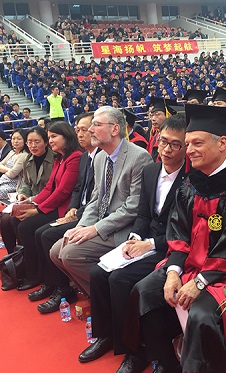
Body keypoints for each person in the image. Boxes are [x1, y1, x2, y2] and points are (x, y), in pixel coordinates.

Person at [118, 104, 226, 373]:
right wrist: (173, 272)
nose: (190, 150)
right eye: (188, 143)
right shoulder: (190, 184)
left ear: (222, 143)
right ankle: (167, 362)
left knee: (203, 313)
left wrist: (199, 282)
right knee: (143, 292)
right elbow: (178, 234)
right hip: (190, 265)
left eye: (197, 143)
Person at [78, 114, 188, 365]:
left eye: (175, 145)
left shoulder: (190, 179)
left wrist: (148, 244)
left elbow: (183, 231)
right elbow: (143, 214)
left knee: (119, 278)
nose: (166, 150)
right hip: (145, 240)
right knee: (97, 273)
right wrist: (135, 237)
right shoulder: (151, 171)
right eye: (163, 142)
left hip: (168, 247)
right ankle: (106, 334)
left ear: (186, 147)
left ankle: (135, 349)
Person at [49, 106, 152, 298]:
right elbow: (96, 198)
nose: (89, 130)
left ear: (114, 129)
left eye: (96, 125)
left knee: (70, 254)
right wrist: (81, 227)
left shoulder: (139, 157)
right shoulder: (100, 157)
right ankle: (100, 297)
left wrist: (96, 229)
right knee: (56, 251)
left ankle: (109, 299)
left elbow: (133, 207)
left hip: (123, 229)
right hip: (100, 223)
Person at [27, 113, 101, 312]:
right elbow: (76, 190)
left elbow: (67, 192)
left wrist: (73, 212)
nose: (81, 134)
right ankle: (47, 280)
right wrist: (72, 208)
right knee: (31, 229)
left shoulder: (83, 157)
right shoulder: (82, 157)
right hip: (76, 210)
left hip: (90, 215)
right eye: (78, 130)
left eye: (84, 130)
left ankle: (62, 288)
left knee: (45, 234)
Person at [9, 121, 82, 291]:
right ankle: (32, 270)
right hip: (53, 205)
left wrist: (38, 210)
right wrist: (32, 202)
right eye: (49, 137)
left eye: (54, 136)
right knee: (16, 221)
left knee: (29, 228)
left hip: (63, 208)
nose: (51, 141)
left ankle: (41, 277)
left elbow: (63, 191)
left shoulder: (74, 157)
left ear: (67, 136)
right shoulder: (59, 157)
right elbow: (50, 187)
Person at [0, 126, 54, 254]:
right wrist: (23, 194)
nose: (33, 145)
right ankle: (14, 256)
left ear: (45, 142)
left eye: (37, 142)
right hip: (31, 200)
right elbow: (27, 183)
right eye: (29, 142)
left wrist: (31, 199)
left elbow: (52, 189)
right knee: (5, 220)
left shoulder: (54, 160)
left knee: (16, 221)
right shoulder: (28, 160)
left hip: (45, 201)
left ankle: (26, 255)